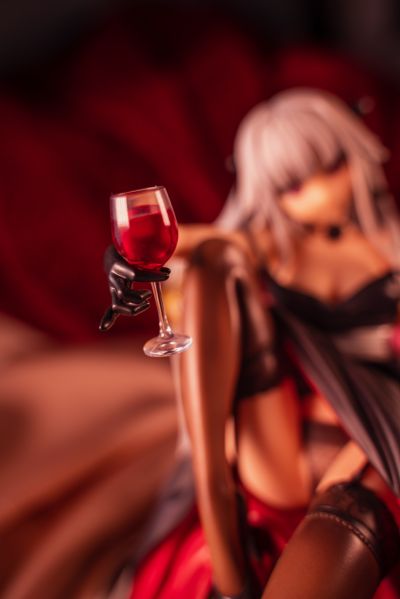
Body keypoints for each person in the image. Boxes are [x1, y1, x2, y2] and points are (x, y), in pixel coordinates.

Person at [109, 89, 400, 599]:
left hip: (373, 423)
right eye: (293, 186)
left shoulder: (389, 247)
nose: (319, 194)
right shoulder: (273, 245)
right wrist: (123, 256)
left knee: (355, 505)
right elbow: (197, 245)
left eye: (330, 167)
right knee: (217, 262)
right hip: (280, 432)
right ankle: (219, 515)